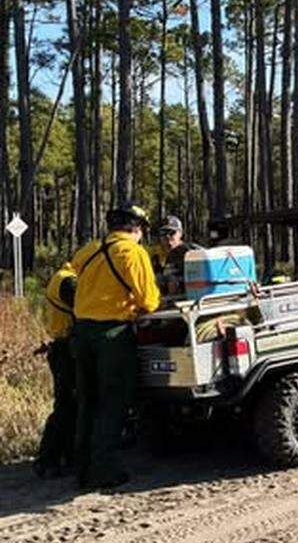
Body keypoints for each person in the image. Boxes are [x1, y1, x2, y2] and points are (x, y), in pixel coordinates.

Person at [70, 202, 161, 490]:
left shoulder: (88, 250)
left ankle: (82, 469)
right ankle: (105, 471)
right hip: (113, 335)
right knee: (113, 402)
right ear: (136, 228)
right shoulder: (132, 252)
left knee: (88, 402)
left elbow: (71, 278)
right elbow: (149, 301)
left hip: (81, 332)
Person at [32, 262, 78, 479]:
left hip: (61, 347)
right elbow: (83, 308)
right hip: (66, 349)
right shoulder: (68, 280)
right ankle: (47, 458)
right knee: (66, 406)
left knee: (70, 406)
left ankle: (66, 456)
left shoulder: (61, 277)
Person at [150, 215, 200, 296]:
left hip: (188, 298)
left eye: (171, 233)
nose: (167, 237)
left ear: (180, 234)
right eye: (163, 233)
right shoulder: (156, 256)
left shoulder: (191, 252)